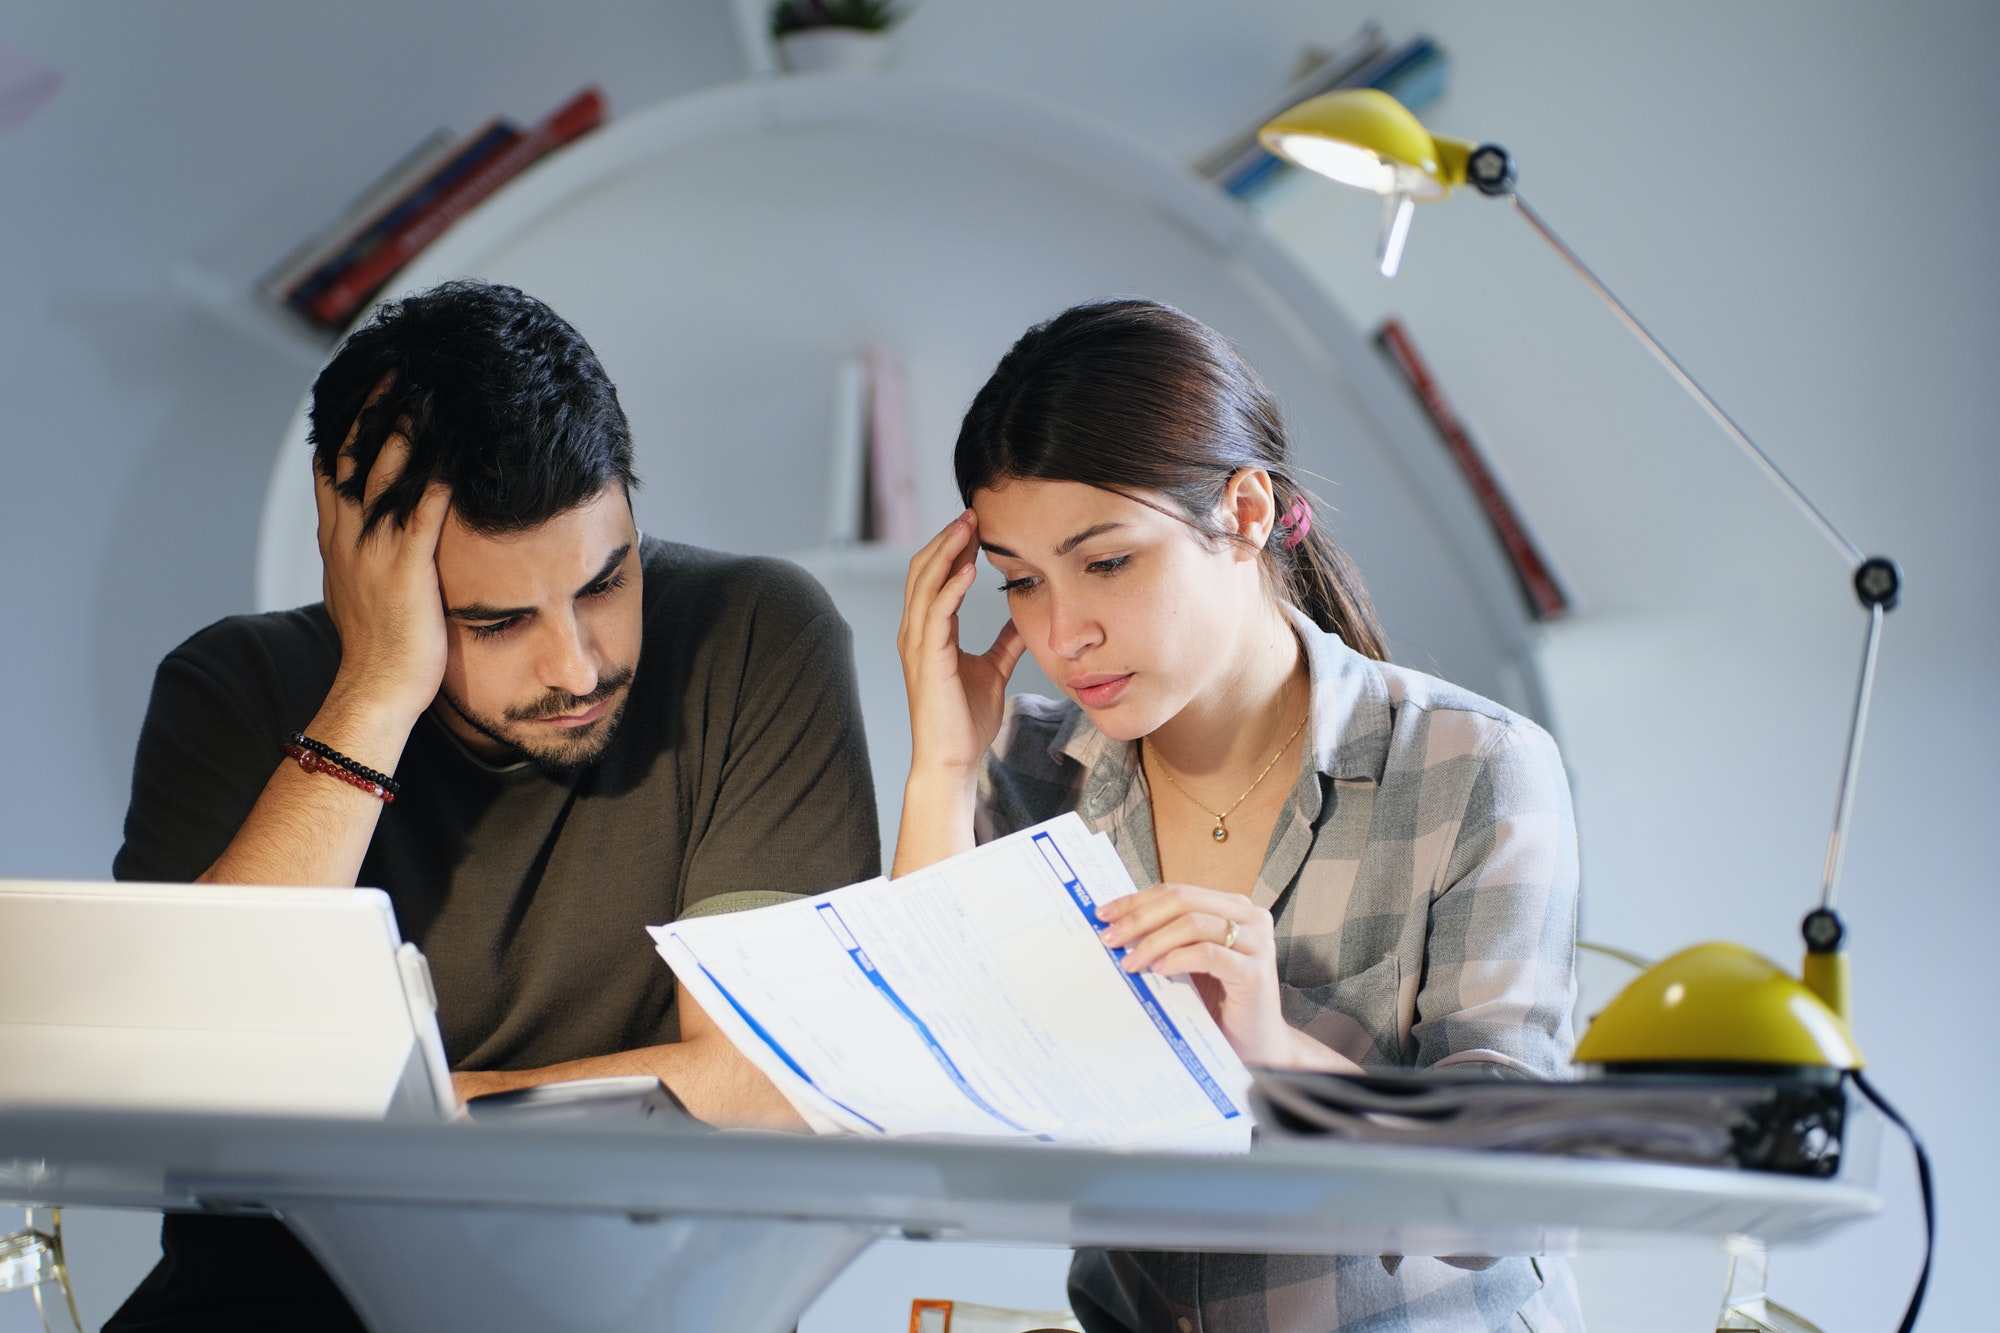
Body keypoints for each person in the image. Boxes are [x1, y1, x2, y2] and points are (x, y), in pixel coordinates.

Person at [108, 280, 880, 1331]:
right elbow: (201, 1086)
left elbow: (770, 1087)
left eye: (605, 582)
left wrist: (355, 1131)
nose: (579, 665)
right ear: (367, 580)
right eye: (497, 619)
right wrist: (376, 688)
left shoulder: (752, 637)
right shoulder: (236, 688)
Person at [895, 299, 1582, 1332]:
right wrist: (941, 764)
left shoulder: (1472, 767)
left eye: (1107, 561)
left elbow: (1509, 1198)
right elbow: (917, 1098)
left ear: (1245, 513)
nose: (1062, 633)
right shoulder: (1031, 778)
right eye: (1020, 583)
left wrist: (1276, 1056)